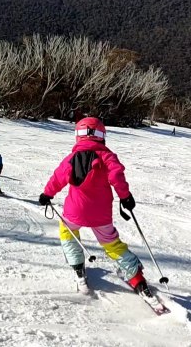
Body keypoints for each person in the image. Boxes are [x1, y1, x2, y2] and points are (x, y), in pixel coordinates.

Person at [38, 117, 155, 302]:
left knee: (68, 233)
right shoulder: (107, 156)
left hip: (75, 212)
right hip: (101, 214)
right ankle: (137, 278)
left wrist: (47, 194)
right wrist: (125, 196)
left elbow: (58, 177)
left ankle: (78, 267)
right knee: (111, 243)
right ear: (102, 136)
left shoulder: (71, 158)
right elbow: (117, 176)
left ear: (78, 136)